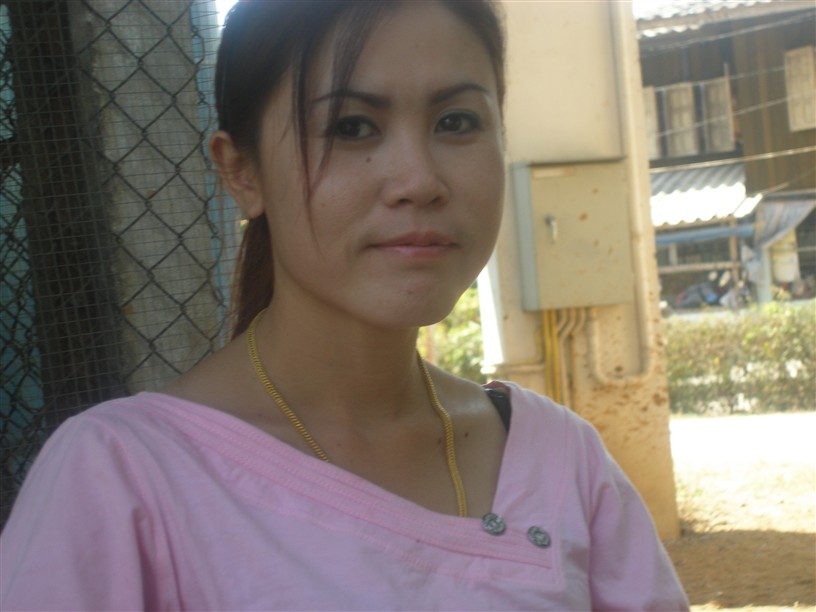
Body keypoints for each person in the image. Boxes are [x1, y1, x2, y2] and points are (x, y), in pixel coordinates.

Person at [0, 1, 689, 609]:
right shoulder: (123, 478)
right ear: (241, 171)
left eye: (456, 121)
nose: (419, 180)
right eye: (352, 127)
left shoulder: (560, 459)